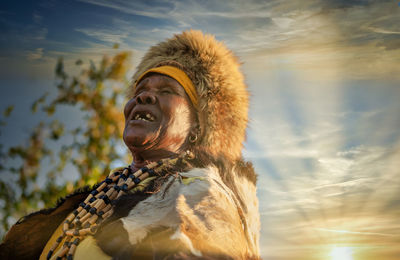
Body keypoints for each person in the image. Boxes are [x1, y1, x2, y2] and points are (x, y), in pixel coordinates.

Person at [0, 30, 260, 259]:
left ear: (197, 128)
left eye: (167, 90)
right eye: (139, 91)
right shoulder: (95, 200)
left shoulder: (204, 195)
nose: (144, 96)